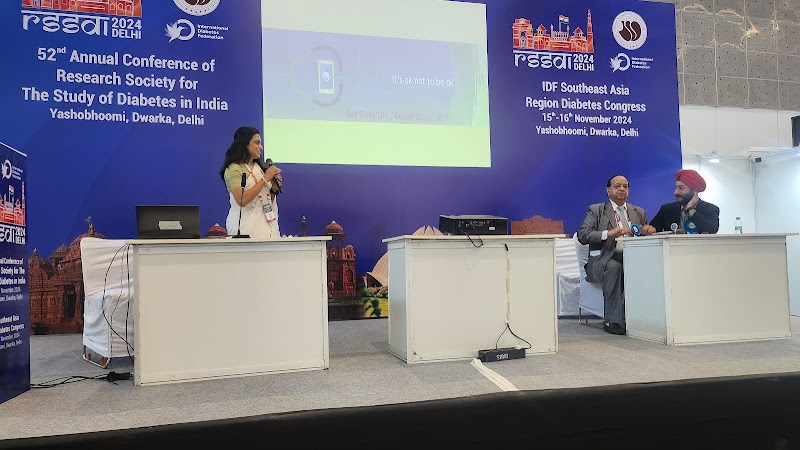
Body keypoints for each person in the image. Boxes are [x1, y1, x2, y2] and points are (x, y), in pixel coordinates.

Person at [577, 175, 655, 335]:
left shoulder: (638, 212)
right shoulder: (596, 210)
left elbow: (642, 234)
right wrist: (609, 233)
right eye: (617, 186)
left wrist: (648, 232)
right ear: (608, 190)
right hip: (604, 259)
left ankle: (647, 317)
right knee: (615, 268)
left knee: (651, 268)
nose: (622, 189)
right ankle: (613, 321)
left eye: (625, 186)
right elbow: (583, 235)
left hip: (633, 258)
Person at [219, 126, 282, 238]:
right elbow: (242, 200)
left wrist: (274, 189)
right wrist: (265, 179)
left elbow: (266, 201)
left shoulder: (260, 169)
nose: (261, 147)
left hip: (268, 227)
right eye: (257, 143)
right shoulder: (234, 169)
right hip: (245, 228)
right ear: (245, 143)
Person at [649, 169, 719, 234]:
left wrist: (691, 210)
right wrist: (649, 230)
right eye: (676, 187)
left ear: (694, 191)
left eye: (681, 188)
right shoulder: (667, 209)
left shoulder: (711, 209)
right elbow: (652, 229)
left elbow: (712, 230)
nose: (676, 192)